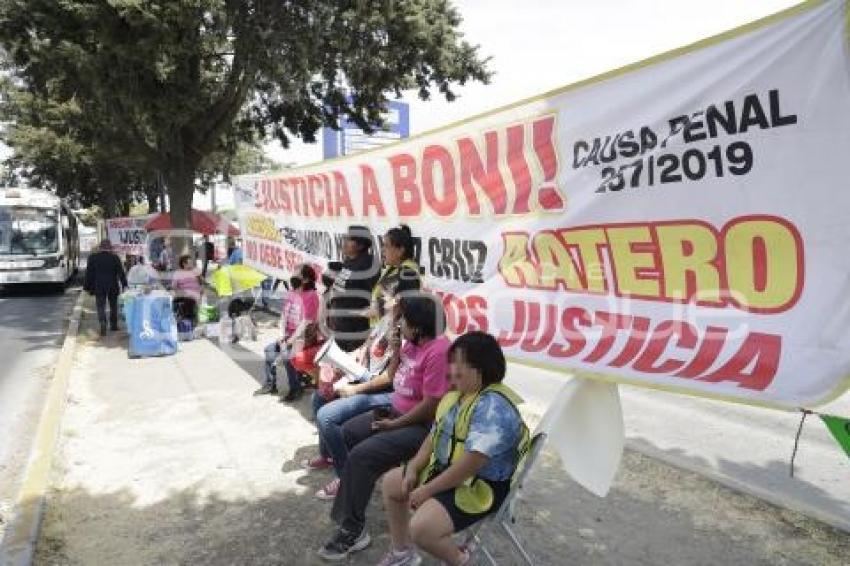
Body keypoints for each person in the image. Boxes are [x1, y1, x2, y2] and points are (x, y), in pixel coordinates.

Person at [317, 293, 452, 561]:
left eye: (403, 321)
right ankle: (358, 484)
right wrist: (396, 349)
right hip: (394, 410)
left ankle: (352, 530)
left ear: (419, 325)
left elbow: (431, 406)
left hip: (420, 426)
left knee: (362, 456)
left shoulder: (438, 350)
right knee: (349, 432)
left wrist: (394, 425)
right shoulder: (412, 343)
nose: (399, 324)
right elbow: (393, 376)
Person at [376, 332, 527, 566]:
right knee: (392, 483)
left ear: (481, 368)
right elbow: (433, 437)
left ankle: (460, 559)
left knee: (422, 528)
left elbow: (472, 464)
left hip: (480, 486)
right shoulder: (458, 396)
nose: (451, 371)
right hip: (448, 472)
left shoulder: (494, 407)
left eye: (459, 364)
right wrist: (415, 467)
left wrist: (427, 490)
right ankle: (402, 553)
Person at [254, 264, 320, 400]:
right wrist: (281, 334)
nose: (293, 275)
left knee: (287, 356)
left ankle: (295, 389)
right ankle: (270, 385)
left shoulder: (312, 296)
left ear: (306, 279)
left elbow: (306, 322)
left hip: (303, 337)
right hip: (288, 336)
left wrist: (290, 341)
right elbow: (284, 315)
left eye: (297, 273)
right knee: (269, 350)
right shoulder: (291, 292)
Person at [327, 225, 380, 352]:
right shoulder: (349, 261)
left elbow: (378, 296)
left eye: (348, 239)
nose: (343, 242)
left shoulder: (368, 264)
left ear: (361, 245)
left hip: (355, 334)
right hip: (340, 328)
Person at [84, 240, 128, 336]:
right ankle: (113, 325)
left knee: (100, 306)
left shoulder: (93, 258)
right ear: (110, 248)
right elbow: (121, 273)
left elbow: (89, 274)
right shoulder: (115, 258)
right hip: (113, 285)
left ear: (100, 247)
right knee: (113, 306)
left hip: (99, 286)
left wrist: (86, 287)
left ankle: (102, 323)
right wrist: (124, 284)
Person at [171, 255, 203, 321]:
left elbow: (202, 281)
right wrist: (180, 292)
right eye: (189, 263)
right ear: (184, 264)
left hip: (196, 292)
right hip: (184, 293)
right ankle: (188, 318)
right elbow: (174, 286)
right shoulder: (177, 273)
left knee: (194, 300)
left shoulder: (195, 271)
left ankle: (194, 318)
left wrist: (201, 285)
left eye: (192, 263)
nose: (191, 264)